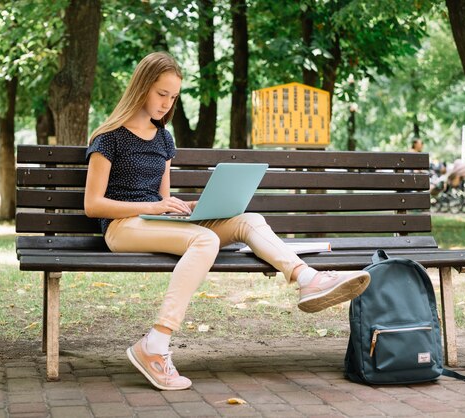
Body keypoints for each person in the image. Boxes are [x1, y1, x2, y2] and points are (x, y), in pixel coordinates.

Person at [83, 52, 370, 391]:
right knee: (206, 240)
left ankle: (307, 278)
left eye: (173, 97)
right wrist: (157, 206)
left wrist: (182, 207)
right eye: (162, 93)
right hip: (122, 228)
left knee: (247, 219)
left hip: (155, 222)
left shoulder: (163, 139)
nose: (166, 103)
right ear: (142, 87)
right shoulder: (110, 137)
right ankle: (155, 345)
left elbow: (163, 197)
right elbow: (93, 205)